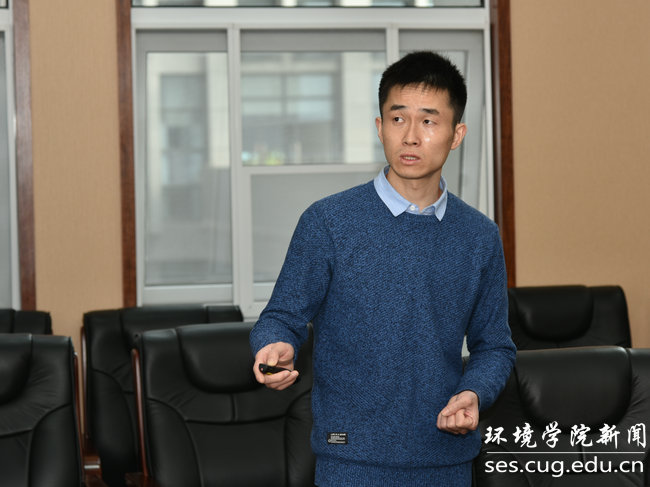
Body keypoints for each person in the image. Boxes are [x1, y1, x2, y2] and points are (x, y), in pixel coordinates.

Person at [250, 50, 516, 487]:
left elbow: (495, 346)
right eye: (398, 119)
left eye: (428, 121)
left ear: (456, 134)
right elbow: (282, 316)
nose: (410, 136)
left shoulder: (479, 236)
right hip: (350, 460)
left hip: (445, 460)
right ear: (380, 127)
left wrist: (474, 392)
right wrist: (274, 345)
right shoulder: (328, 221)